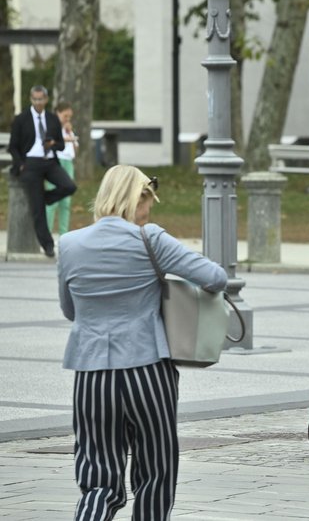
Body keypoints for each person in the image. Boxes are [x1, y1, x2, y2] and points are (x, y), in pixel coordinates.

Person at [57, 165, 228, 519]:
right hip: (147, 369)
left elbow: (70, 310)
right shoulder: (150, 238)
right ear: (138, 198)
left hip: (92, 374)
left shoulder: (69, 245)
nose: (149, 210)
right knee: (156, 471)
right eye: (148, 200)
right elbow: (215, 277)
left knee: (98, 478)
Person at [8, 85, 77, 257]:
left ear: (46, 99)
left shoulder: (53, 119)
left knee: (69, 186)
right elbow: (13, 146)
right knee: (38, 211)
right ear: (31, 99)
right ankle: (47, 245)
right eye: (35, 99)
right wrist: (21, 164)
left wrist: (53, 143)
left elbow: (61, 145)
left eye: (41, 99)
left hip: (50, 162)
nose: (38, 102)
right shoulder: (21, 119)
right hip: (30, 164)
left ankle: (44, 197)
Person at [46, 101, 78, 235]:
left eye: (69, 117)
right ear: (58, 113)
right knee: (52, 201)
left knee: (66, 201)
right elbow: (48, 142)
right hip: (55, 162)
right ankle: (46, 232)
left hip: (68, 162)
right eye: (65, 116)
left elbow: (75, 149)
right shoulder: (51, 126)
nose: (67, 119)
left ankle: (63, 233)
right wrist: (65, 139)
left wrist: (70, 133)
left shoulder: (68, 130)